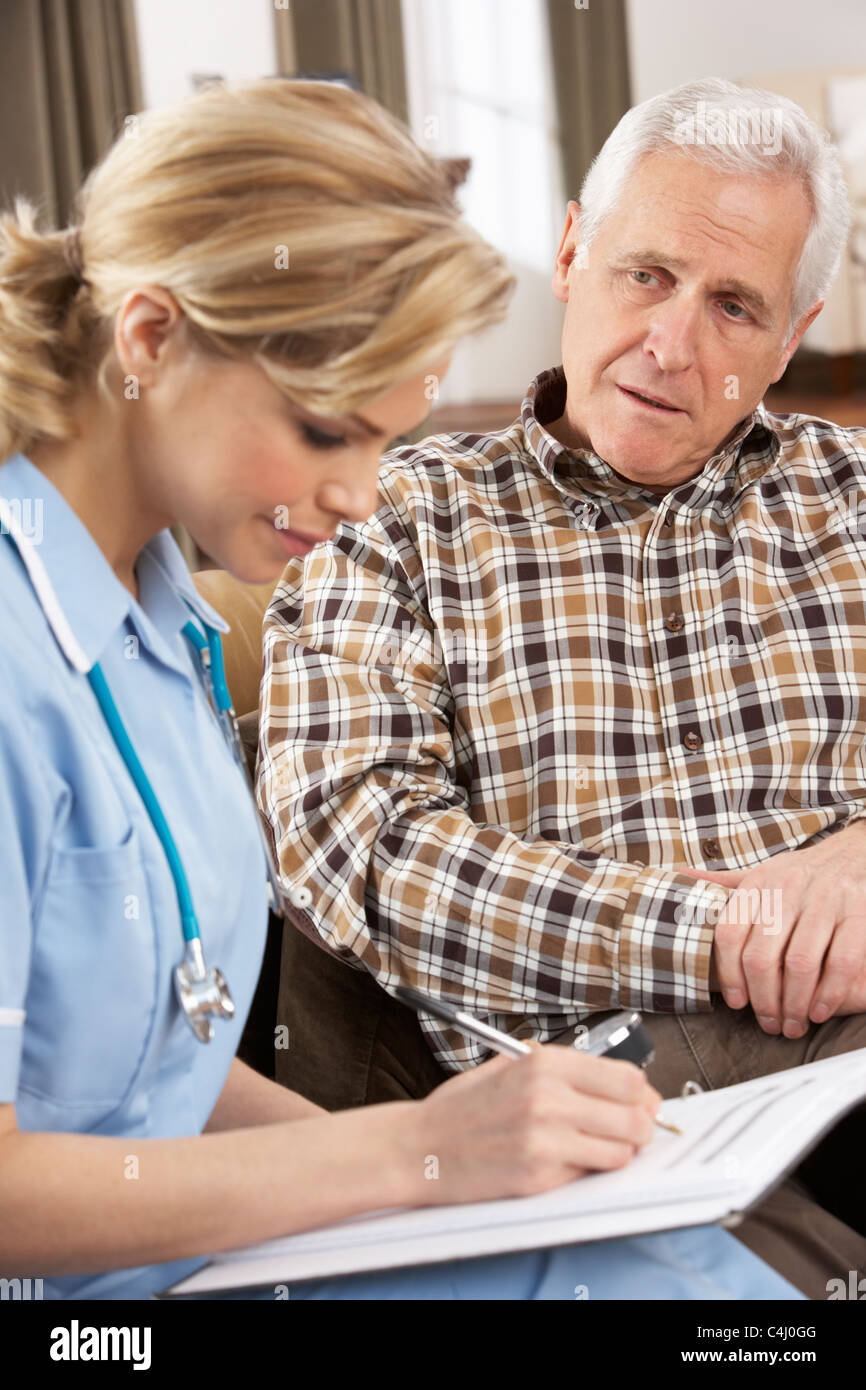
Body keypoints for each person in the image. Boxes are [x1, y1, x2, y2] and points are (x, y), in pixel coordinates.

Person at [0, 76, 801, 1302]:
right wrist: (412, 1148)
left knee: (692, 1281)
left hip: (220, 1245)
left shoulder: (158, 613)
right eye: (329, 432)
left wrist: (478, 1153)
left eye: (387, 437)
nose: (365, 493)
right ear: (151, 338)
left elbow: (154, 1072)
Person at [256, 76, 866, 1300]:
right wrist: (723, 933)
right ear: (573, 249)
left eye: (734, 305)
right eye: (647, 274)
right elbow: (355, 847)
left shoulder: (853, 494)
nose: (670, 343)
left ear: (791, 334)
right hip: (601, 1110)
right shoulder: (396, 518)